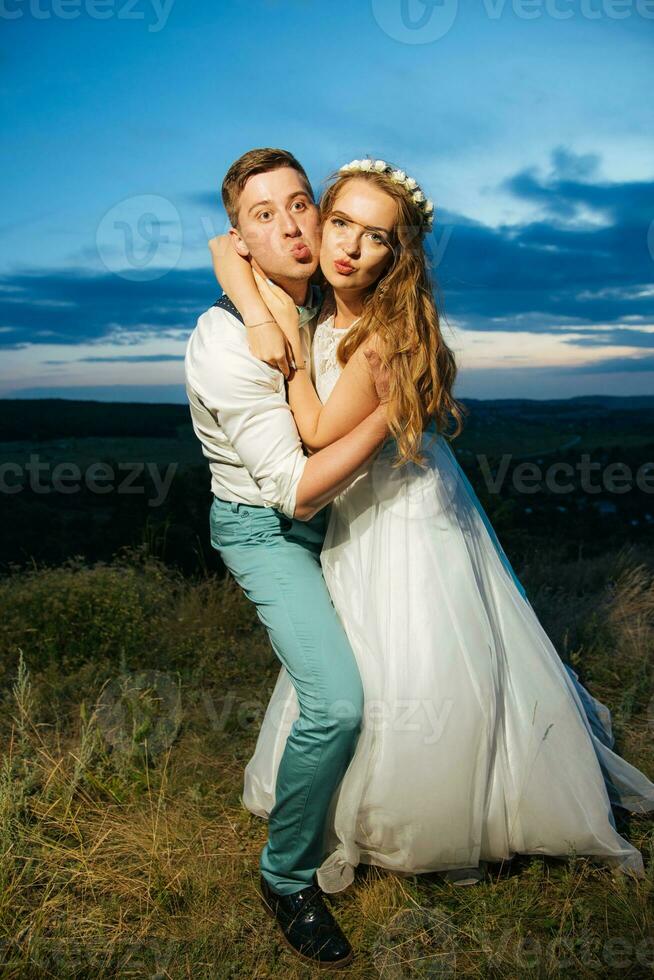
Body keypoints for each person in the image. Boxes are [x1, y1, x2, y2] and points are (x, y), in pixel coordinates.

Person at [209, 154, 654, 896]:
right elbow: (229, 249)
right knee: (364, 655)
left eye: (375, 237)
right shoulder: (318, 287)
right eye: (341, 221)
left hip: (399, 508)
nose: (349, 246)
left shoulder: (377, 332)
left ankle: (438, 810)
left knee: (418, 652)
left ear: (398, 255)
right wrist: (259, 308)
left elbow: (317, 433)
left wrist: (284, 346)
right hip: (360, 502)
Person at [185, 148, 393, 969]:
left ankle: (383, 815)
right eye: (262, 215)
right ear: (237, 239)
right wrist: (395, 420)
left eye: (301, 203)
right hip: (267, 527)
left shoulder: (323, 302)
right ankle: (286, 875)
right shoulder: (224, 339)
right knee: (338, 701)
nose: (292, 224)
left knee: (400, 655)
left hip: (344, 510)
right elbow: (296, 490)